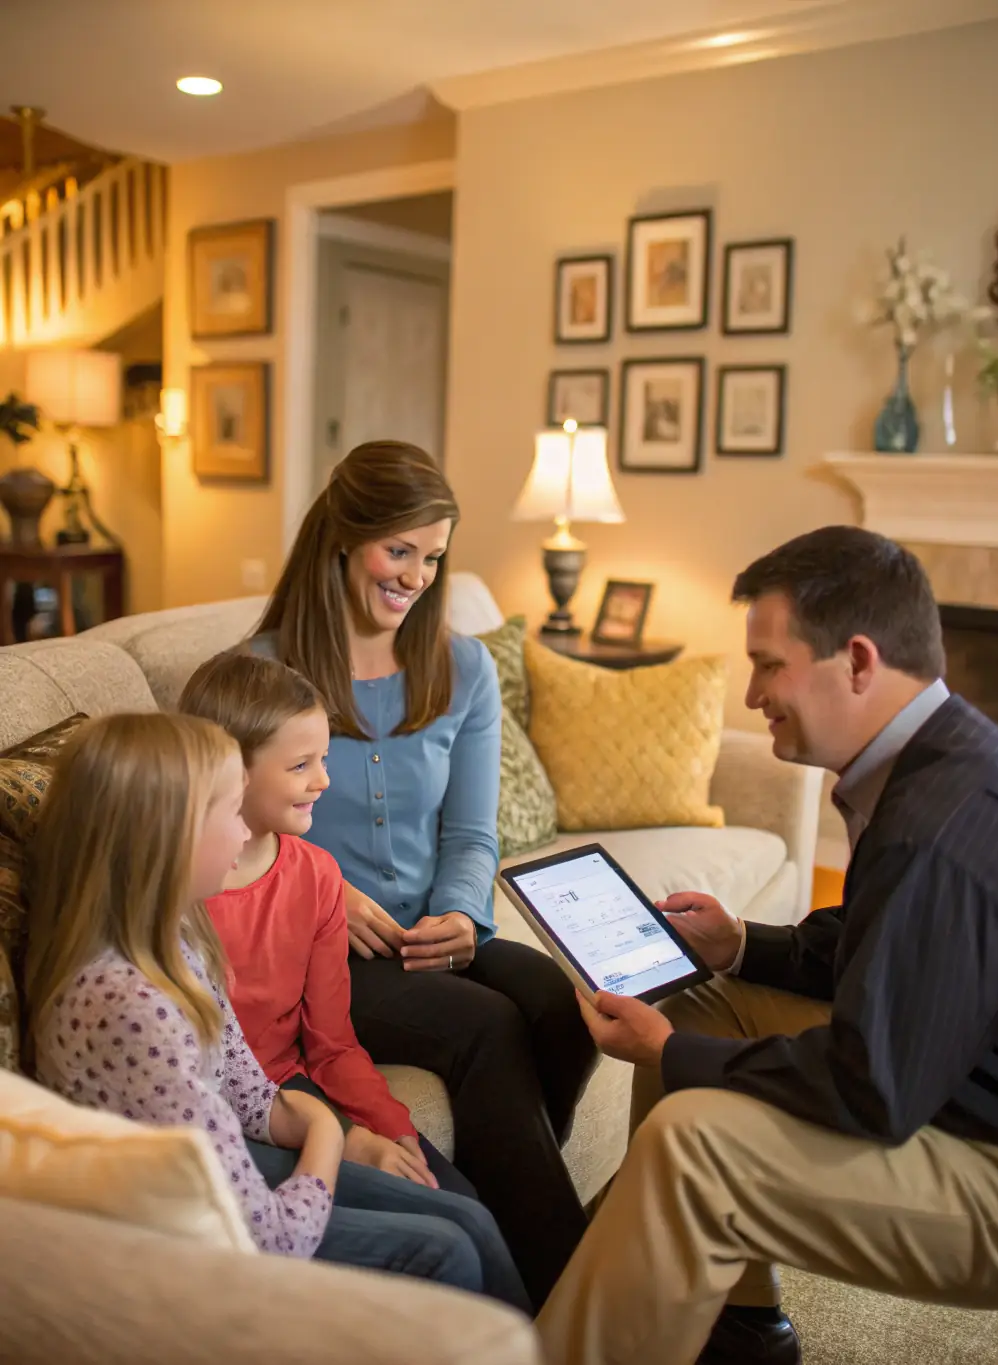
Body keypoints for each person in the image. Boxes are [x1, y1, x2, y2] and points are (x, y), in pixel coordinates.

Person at [537, 526, 998, 1365]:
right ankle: (739, 1317)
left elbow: (873, 1087)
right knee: (704, 998)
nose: (753, 691)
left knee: (692, 1142)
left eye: (769, 663)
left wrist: (671, 1052)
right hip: (967, 1079)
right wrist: (736, 947)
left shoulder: (936, 824)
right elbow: (878, 951)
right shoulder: (940, 755)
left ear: (859, 661)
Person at [250, 440, 597, 1309]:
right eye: (397, 550)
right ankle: (575, 1299)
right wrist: (331, 889)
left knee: (561, 1000)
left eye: (433, 556)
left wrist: (460, 914)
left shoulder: (462, 664)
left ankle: (507, 1192)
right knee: (486, 1027)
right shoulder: (261, 673)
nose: (415, 575)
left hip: (428, 926)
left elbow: (472, 831)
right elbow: (234, 837)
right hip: (321, 950)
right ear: (345, 536)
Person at [23, 712, 528, 1307]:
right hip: (185, 1230)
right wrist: (329, 1136)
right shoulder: (132, 1007)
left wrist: (322, 1122)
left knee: (470, 1218)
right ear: (168, 838)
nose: (244, 838)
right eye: (229, 816)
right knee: (447, 1249)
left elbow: (243, 1084)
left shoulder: (180, 933)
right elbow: (270, 1237)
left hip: (226, 1158)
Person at [178, 649, 528, 1310]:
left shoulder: (314, 874)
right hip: (229, 1116)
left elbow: (332, 1041)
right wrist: (339, 1137)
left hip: (295, 1087)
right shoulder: (181, 891)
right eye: (301, 765)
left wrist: (388, 1125)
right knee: (449, 1237)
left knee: (462, 1202)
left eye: (324, 759)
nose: (324, 782)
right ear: (228, 765)